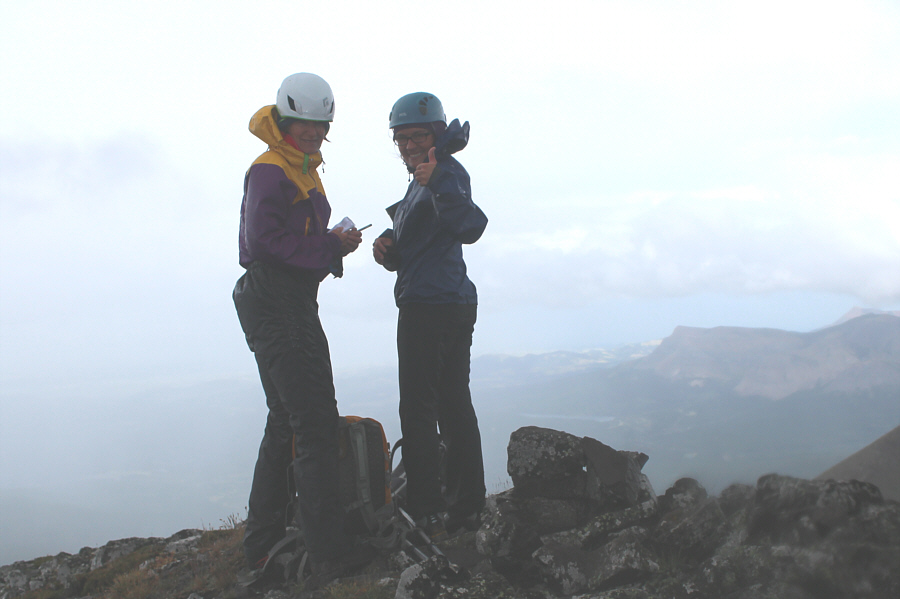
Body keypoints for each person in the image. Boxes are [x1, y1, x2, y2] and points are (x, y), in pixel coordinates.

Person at [232, 72, 370, 580]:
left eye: (320, 125)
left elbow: (289, 243)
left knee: (285, 419)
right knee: (312, 422)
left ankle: (264, 542)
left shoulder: (302, 167)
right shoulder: (271, 170)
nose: (313, 132)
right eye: (304, 124)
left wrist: (332, 244)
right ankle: (328, 554)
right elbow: (265, 244)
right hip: (278, 302)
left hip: (285, 300)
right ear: (285, 121)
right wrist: (330, 247)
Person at [372, 92, 488, 537]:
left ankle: (426, 510)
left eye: (415, 137)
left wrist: (437, 179)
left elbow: (470, 227)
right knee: (453, 404)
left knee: (419, 410)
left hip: (430, 306)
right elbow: (422, 243)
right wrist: (388, 246)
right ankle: (466, 506)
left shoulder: (445, 173)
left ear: (435, 134)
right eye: (399, 140)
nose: (406, 147)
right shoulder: (423, 178)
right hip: (450, 301)